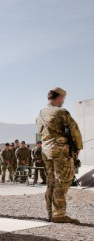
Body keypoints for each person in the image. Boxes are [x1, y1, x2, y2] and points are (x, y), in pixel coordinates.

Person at [36, 87, 83, 223]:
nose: (63, 101)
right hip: (61, 151)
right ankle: (59, 214)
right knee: (63, 181)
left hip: (46, 152)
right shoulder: (61, 112)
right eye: (63, 98)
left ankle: (50, 212)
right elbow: (74, 131)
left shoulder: (40, 115)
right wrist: (78, 148)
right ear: (59, 97)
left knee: (51, 181)